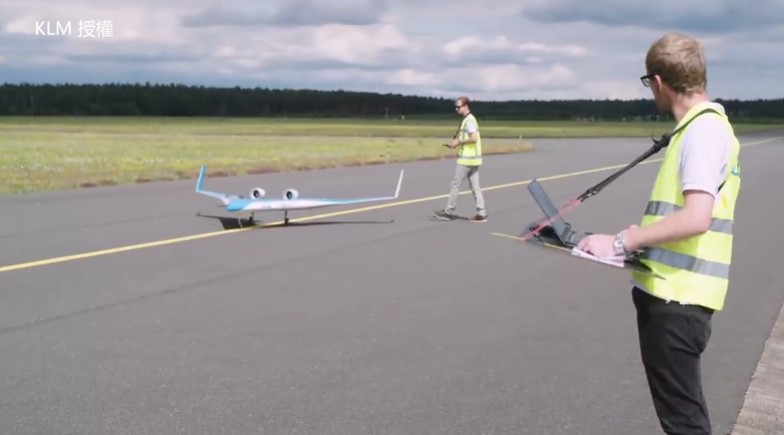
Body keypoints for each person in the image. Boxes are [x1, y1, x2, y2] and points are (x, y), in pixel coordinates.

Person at [577, 32, 741, 435]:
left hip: (677, 299)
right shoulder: (706, 127)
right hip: (679, 295)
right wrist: (637, 238)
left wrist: (621, 242)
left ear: (658, 82)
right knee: (683, 416)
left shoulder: (701, 133)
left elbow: (696, 217)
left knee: (683, 423)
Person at [432, 96, 488, 222]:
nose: (456, 109)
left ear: (466, 106)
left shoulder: (469, 120)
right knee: (475, 186)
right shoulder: (468, 119)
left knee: (455, 185)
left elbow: (473, 138)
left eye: (459, 106)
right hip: (474, 160)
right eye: (455, 107)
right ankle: (482, 213)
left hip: (466, 160)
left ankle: (448, 211)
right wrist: (456, 144)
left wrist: (459, 142)